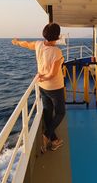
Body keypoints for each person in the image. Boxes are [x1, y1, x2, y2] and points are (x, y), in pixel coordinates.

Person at [12, 23, 65, 153]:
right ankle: (46, 135)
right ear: (57, 36)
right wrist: (43, 77)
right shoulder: (56, 51)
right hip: (55, 87)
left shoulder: (38, 44)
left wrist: (17, 42)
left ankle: (54, 141)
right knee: (60, 113)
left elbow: (26, 44)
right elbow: (52, 74)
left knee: (48, 110)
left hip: (42, 87)